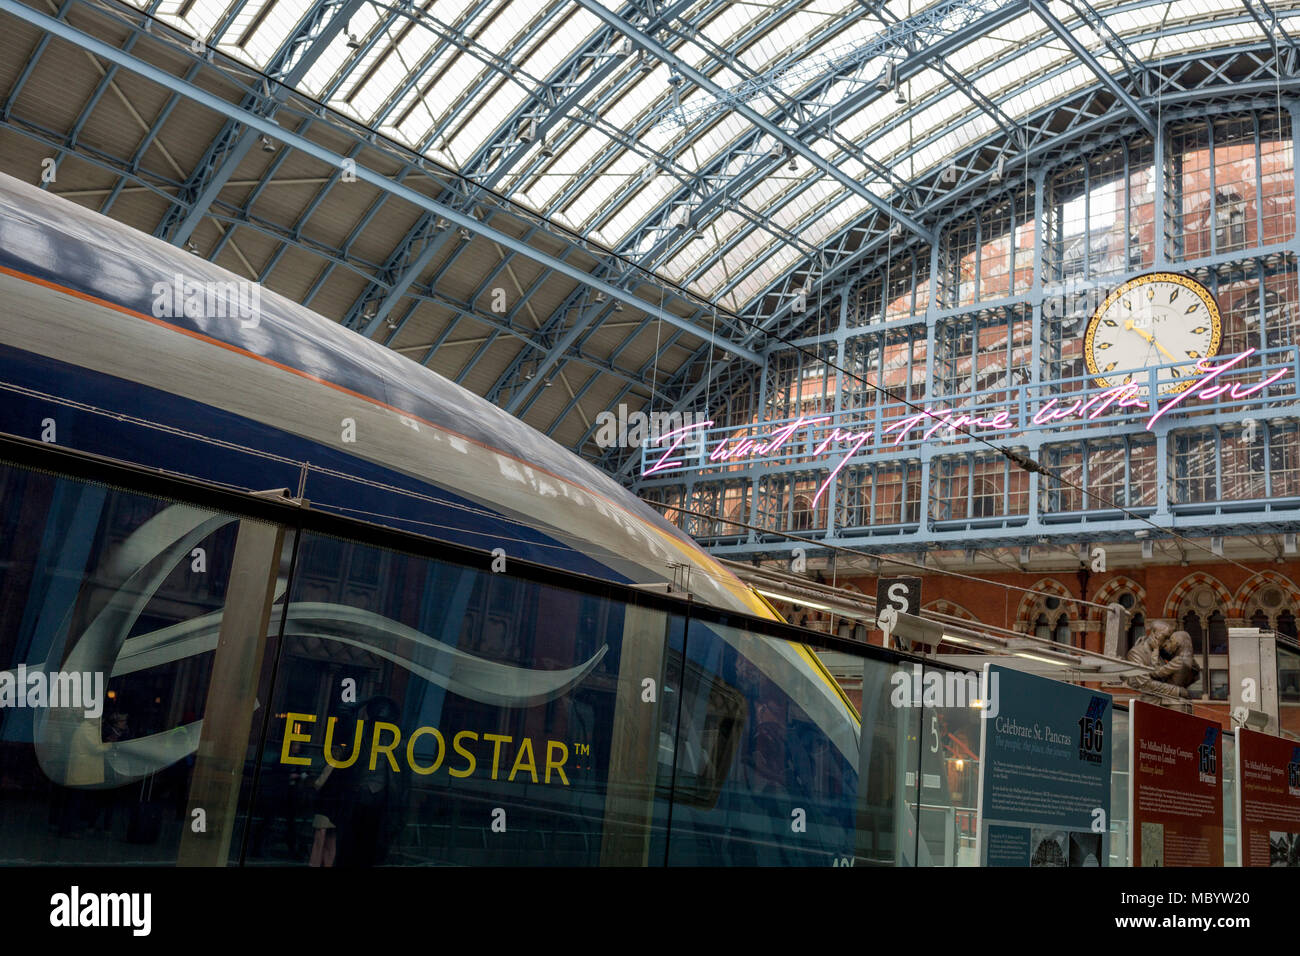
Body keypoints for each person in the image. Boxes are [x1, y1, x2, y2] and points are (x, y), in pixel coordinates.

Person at [1126, 620, 1200, 697]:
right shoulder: (1136, 653)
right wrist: (1178, 691)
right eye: (1165, 637)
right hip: (1153, 702)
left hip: (1169, 700)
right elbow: (1145, 684)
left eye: (1169, 638)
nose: (1167, 642)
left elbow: (1190, 669)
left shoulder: (1162, 651)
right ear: (1154, 634)